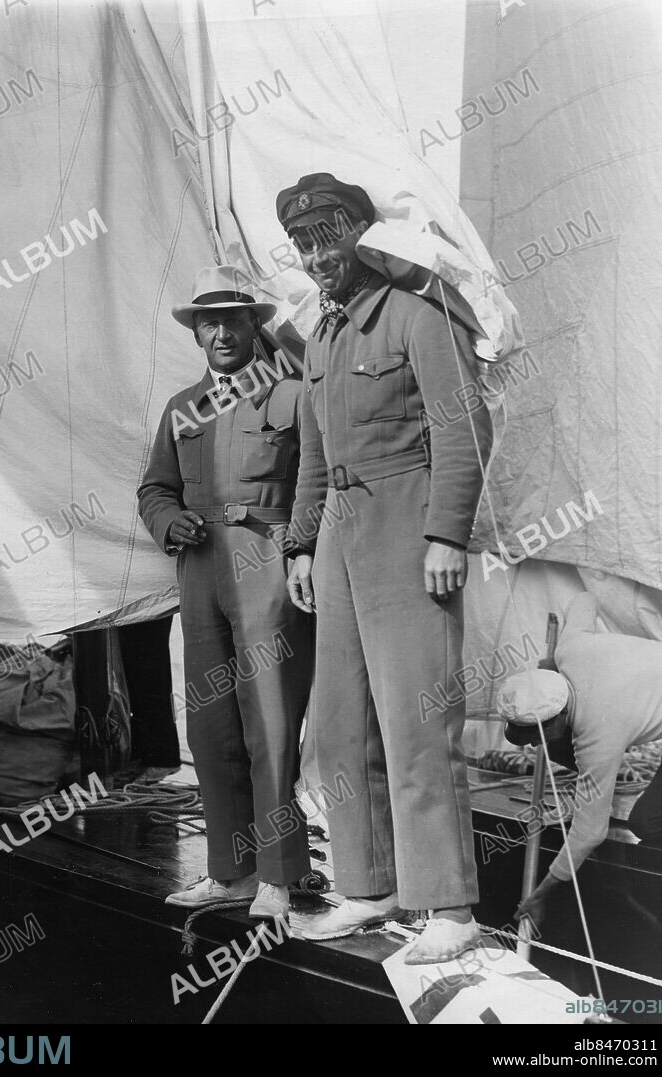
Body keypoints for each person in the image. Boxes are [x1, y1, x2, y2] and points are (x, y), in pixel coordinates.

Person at [277, 173, 493, 963]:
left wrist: (445, 534)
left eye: (326, 236)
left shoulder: (416, 313)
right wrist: (301, 543)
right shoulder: (323, 335)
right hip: (337, 534)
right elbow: (312, 452)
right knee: (339, 723)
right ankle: (369, 887)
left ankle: (447, 905)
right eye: (301, 243)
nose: (315, 255)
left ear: (362, 234)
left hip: (407, 521)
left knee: (416, 718)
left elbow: (464, 426)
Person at [137, 265, 313, 920]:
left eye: (232, 319)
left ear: (254, 325)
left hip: (265, 564)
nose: (220, 332)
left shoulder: (292, 396)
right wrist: (166, 520)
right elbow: (154, 486)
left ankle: (278, 875)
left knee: (269, 721)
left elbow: (317, 484)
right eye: (207, 321)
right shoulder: (182, 408)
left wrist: (299, 550)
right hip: (198, 571)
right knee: (210, 729)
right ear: (195, 333)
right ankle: (230, 871)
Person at [498, 593, 662, 925]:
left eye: (537, 737)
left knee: (651, 822)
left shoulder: (598, 734)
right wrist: (552, 658)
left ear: (558, 719)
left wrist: (540, 895)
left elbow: (591, 832)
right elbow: (584, 599)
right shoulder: (570, 649)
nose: (534, 747)